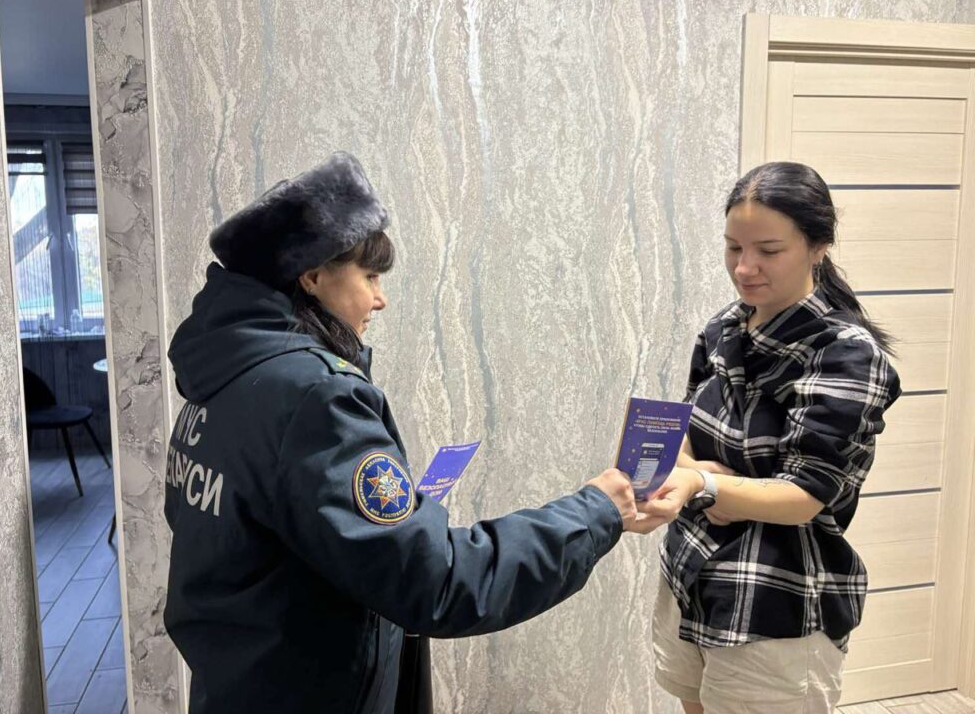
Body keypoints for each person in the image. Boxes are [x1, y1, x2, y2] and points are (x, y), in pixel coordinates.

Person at [162, 151, 701, 714]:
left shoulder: (219, 382)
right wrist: (594, 511)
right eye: (370, 276)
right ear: (313, 275)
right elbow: (438, 581)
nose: (380, 298)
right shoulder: (315, 395)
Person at [641, 161, 902, 714]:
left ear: (818, 246)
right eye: (733, 247)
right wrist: (710, 478)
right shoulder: (723, 328)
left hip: (776, 597)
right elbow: (682, 434)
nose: (744, 267)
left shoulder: (845, 354)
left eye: (768, 250)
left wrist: (703, 485)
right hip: (692, 571)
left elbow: (802, 496)